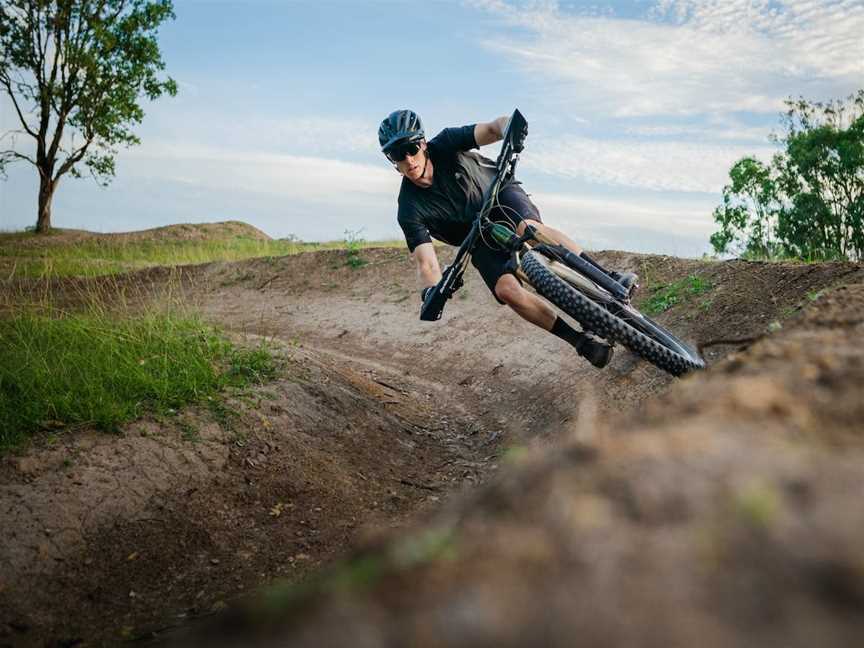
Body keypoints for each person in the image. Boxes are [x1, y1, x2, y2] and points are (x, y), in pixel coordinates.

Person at [378, 109, 637, 369]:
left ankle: (608, 277)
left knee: (530, 229)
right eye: (398, 155)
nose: (408, 160)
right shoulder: (409, 208)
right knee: (507, 290)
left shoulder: (445, 143)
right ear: (392, 160)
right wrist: (432, 291)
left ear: (422, 143)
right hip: (476, 238)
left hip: (499, 195)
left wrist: (510, 127)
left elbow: (492, 129)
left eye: (411, 149)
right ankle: (582, 343)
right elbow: (427, 264)